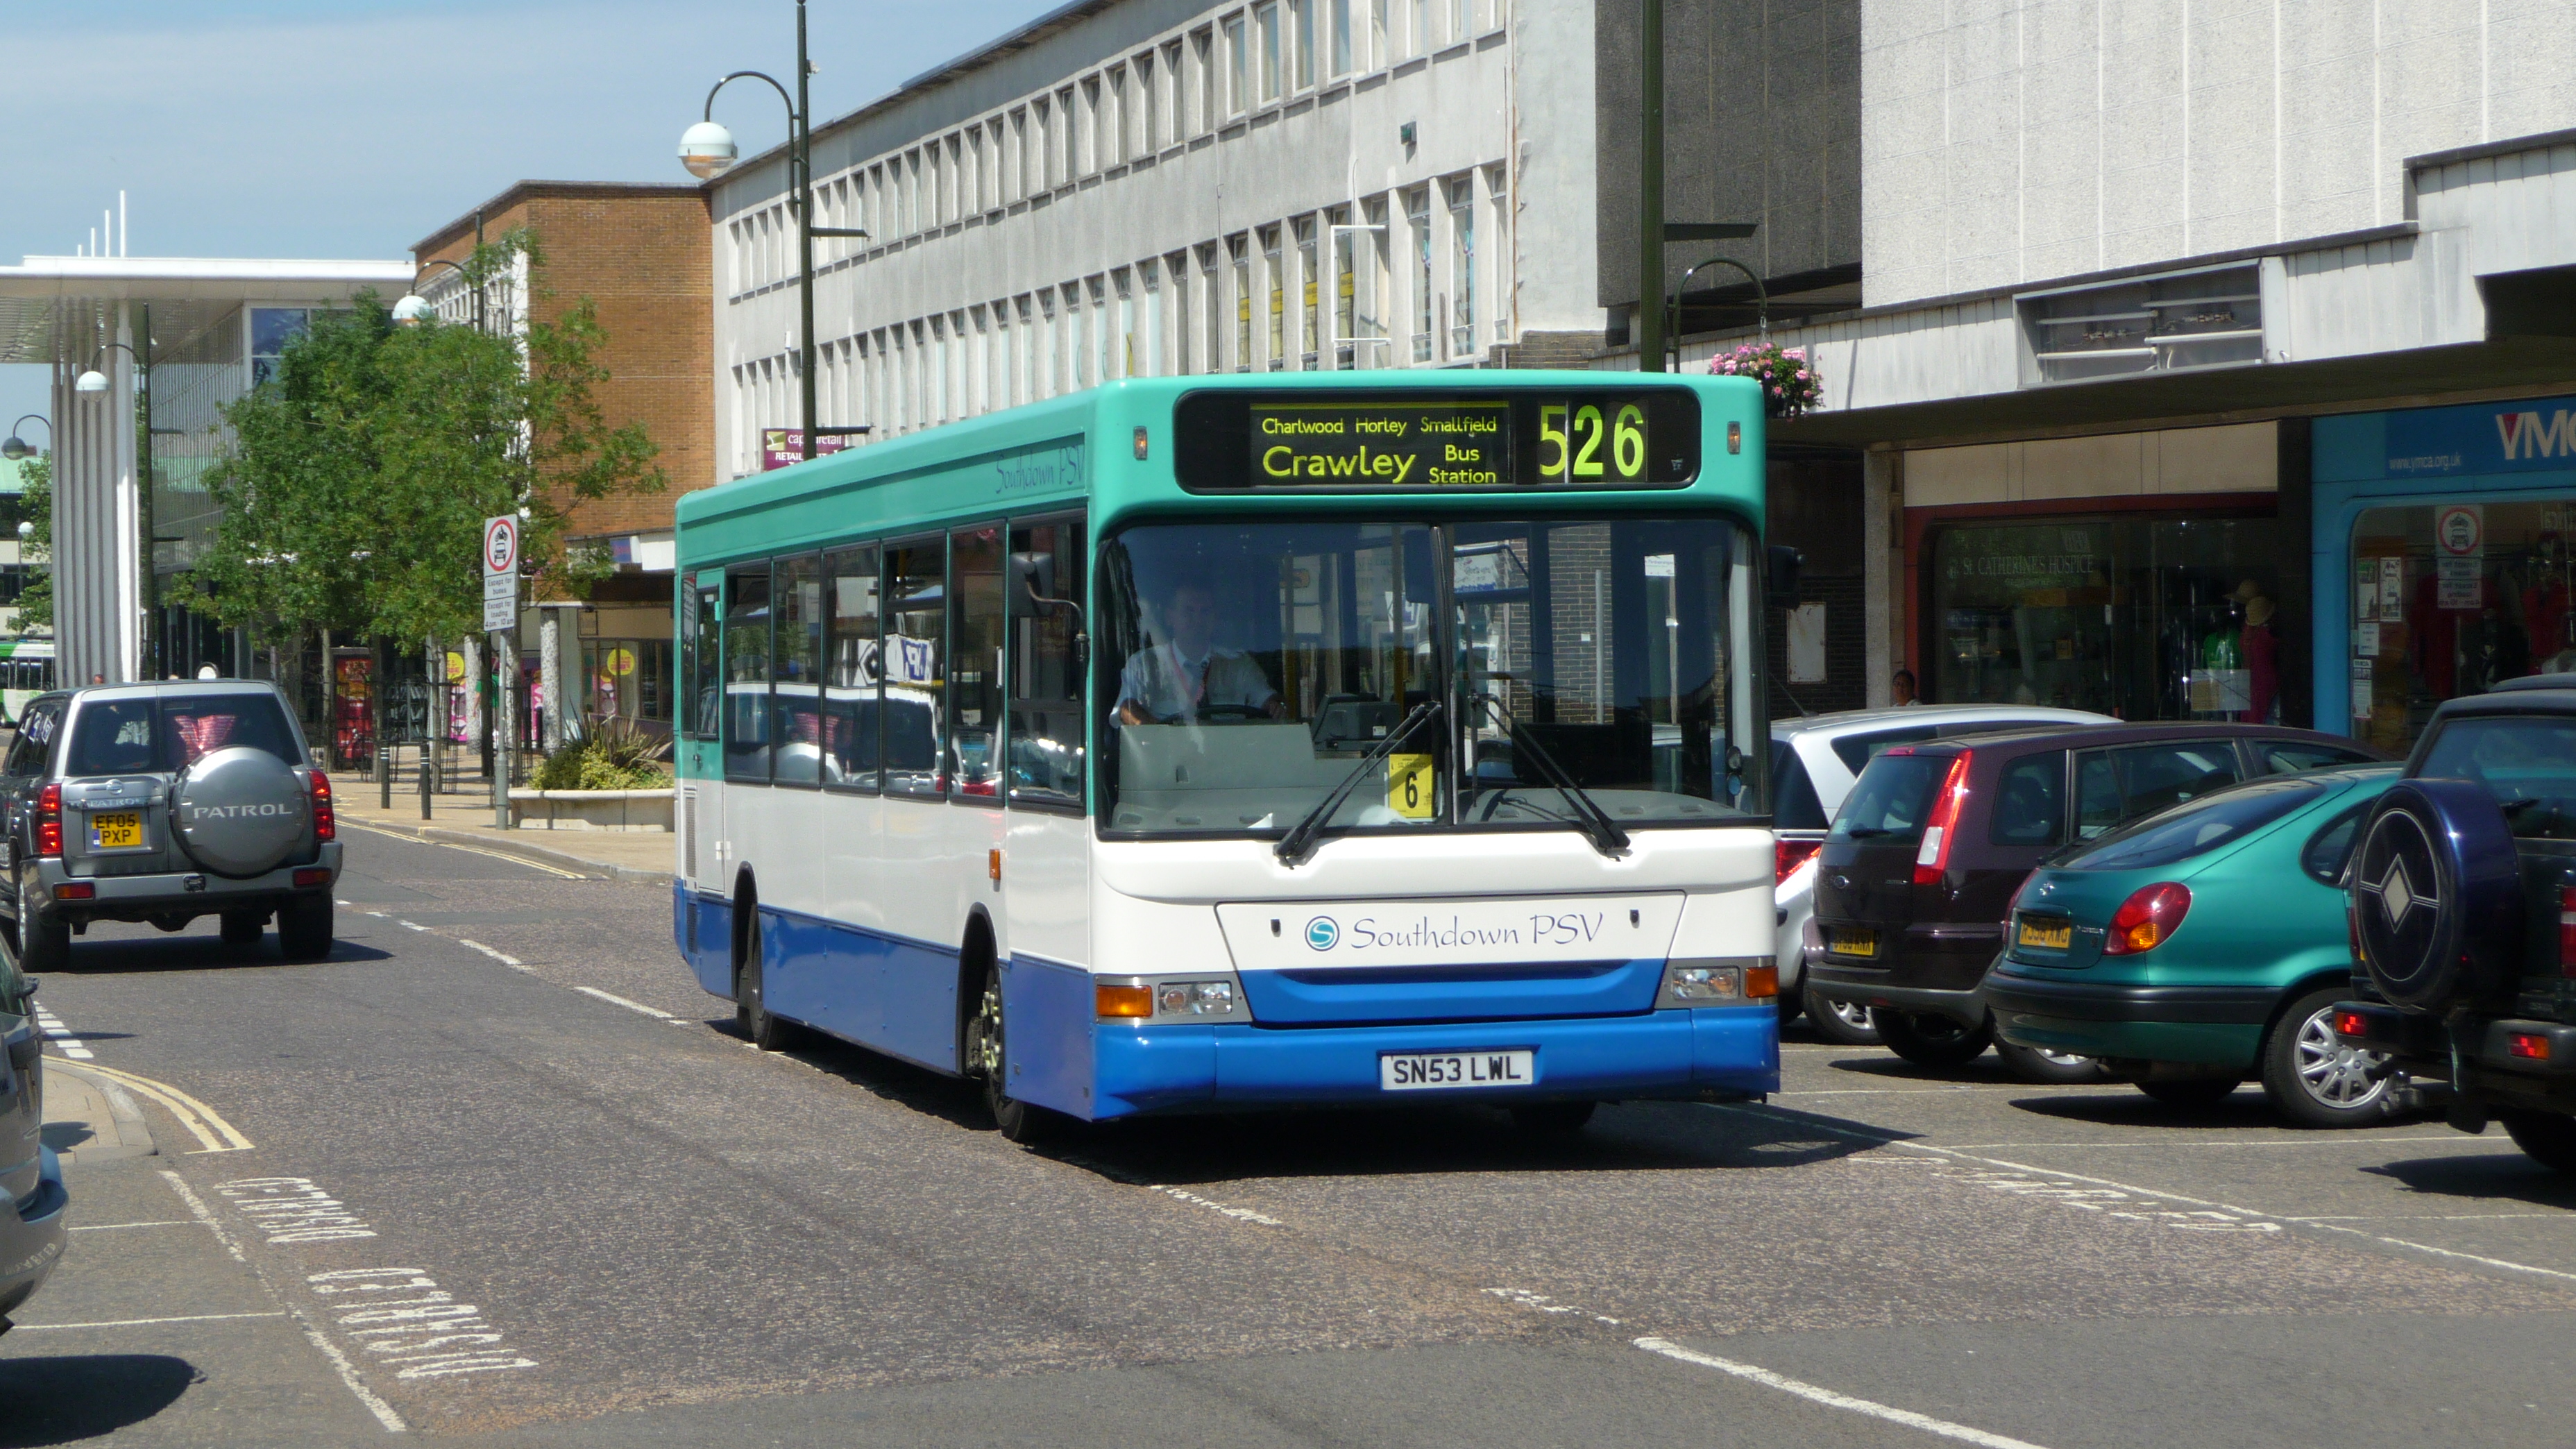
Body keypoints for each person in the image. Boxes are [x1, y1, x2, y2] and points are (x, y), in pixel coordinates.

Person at [1115, 578, 1284, 724]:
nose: (1198, 620)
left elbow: (1268, 700)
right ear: (1170, 617)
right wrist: (1160, 733)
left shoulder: (1239, 664)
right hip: (1167, 758)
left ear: (1215, 618)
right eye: (1189, 611)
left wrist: (1275, 706)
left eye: (1205, 611)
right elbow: (1125, 710)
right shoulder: (1145, 664)